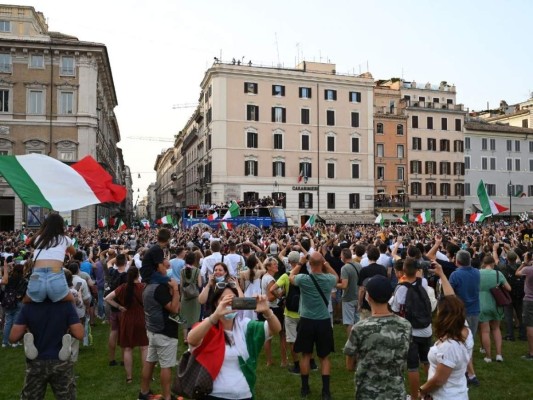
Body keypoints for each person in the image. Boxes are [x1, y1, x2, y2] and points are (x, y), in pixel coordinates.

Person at [186, 282, 281, 399]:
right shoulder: (208, 326)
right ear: (216, 303)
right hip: (214, 395)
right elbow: (191, 339)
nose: (229, 303)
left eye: (233, 300)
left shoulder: (245, 326)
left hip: (244, 395)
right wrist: (215, 316)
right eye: (224, 300)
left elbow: (276, 329)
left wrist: (267, 311)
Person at [343, 275, 411, 400]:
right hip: (396, 392)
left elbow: (349, 365)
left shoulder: (360, 328)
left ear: (368, 297)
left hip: (368, 393)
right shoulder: (406, 325)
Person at [10, 299, 84, 399]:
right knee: (67, 396)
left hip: (36, 362)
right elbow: (80, 334)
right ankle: (66, 335)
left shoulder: (28, 307)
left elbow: (13, 337)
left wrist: (24, 331)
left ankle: (29, 334)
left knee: (30, 397)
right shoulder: (66, 306)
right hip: (60, 361)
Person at [419, 262, 472, 400]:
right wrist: (441, 274)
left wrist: (422, 390)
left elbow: (439, 380)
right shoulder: (464, 329)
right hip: (455, 392)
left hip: (446, 396)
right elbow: (452, 299)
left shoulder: (450, 346)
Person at [289, 252, 338, 400]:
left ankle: (305, 388)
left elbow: (291, 277)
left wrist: (300, 263)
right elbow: (336, 277)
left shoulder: (304, 279)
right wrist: (326, 264)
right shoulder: (329, 279)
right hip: (323, 320)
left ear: (310, 264)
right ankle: (326, 391)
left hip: (306, 320)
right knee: (324, 357)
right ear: (322, 263)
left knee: (306, 354)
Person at [138, 250, 180, 400]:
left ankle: (143, 392)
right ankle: (167, 397)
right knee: (166, 365)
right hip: (164, 331)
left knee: (150, 361)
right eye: (164, 263)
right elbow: (174, 309)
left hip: (152, 329)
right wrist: (175, 290)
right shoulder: (160, 288)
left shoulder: (147, 286)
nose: (167, 265)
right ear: (157, 267)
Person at [389, 256, 433, 400]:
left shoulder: (401, 288)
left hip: (410, 331)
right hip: (426, 329)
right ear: (417, 269)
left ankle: (415, 397)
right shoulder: (424, 282)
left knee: (413, 366)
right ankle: (429, 393)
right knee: (427, 362)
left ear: (403, 271)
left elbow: (395, 308)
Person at [105, 267, 148, 383]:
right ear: (137, 275)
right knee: (144, 347)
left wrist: (119, 307)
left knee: (128, 349)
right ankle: (146, 375)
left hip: (127, 318)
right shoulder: (143, 287)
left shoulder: (123, 287)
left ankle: (129, 377)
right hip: (141, 318)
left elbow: (107, 298)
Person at [26, 213, 76, 302]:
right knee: (71, 301)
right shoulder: (65, 239)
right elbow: (74, 252)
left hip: (37, 274)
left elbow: (33, 245)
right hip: (55, 271)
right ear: (61, 225)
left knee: (25, 303)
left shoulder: (37, 238)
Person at [449, 249, 480, 385]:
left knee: (461, 343)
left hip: (461, 312)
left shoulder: (455, 275)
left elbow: (449, 294)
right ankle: (468, 373)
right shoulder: (476, 272)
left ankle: (468, 374)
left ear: (458, 261)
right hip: (474, 310)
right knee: (468, 343)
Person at [270, 250, 304, 374]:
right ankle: (309, 363)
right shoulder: (305, 275)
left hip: (290, 312)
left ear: (289, 262)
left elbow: (272, 289)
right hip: (304, 311)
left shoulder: (286, 276)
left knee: (292, 340)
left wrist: (280, 297)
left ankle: (297, 365)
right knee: (304, 339)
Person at [479, 254, 511, 362]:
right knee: (496, 329)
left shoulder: (478, 273)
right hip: (496, 304)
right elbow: (509, 288)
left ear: (484, 263)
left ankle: (488, 356)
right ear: (493, 263)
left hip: (482, 304)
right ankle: (499, 355)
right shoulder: (498, 273)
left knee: (485, 331)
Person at [261, 256, 287, 367]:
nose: (276, 266)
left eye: (276, 264)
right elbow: (271, 297)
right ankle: (284, 361)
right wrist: (283, 292)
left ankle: (269, 360)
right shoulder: (270, 279)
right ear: (268, 267)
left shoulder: (265, 277)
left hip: (267, 308)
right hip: (274, 308)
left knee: (268, 335)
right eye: (274, 264)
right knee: (282, 334)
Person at [358, 246, 387, 320]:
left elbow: (362, 289)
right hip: (380, 303)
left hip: (367, 304)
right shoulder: (383, 269)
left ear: (368, 256)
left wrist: (359, 303)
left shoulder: (364, 270)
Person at [337, 248, 362, 337]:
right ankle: (359, 342)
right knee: (357, 321)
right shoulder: (359, 265)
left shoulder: (345, 268)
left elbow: (344, 285)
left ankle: (351, 345)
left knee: (349, 323)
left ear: (343, 256)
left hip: (348, 298)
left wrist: (334, 284)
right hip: (358, 296)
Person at [1, 260, 26, 347]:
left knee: (7, 322)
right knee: (16, 323)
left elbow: (4, 285)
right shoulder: (23, 280)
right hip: (18, 302)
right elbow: (22, 293)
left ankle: (5, 342)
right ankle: (15, 342)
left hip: (7, 302)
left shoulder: (9, 279)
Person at [179, 251, 202, 342]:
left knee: (184, 317)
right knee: (195, 316)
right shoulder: (197, 271)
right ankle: (193, 336)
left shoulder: (182, 271)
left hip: (185, 296)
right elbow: (200, 285)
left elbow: (181, 285)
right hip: (195, 296)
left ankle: (185, 338)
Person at [515, 251, 533, 360]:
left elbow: (517, 273)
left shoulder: (528, 269)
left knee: (530, 326)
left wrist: (524, 263)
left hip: (529, 300)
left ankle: (531, 353)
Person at [239, 254, 266, 321]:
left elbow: (242, 287)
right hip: (257, 295)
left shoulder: (242, 273)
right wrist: (258, 260)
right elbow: (264, 269)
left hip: (247, 296)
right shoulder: (259, 272)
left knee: (247, 316)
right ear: (255, 263)